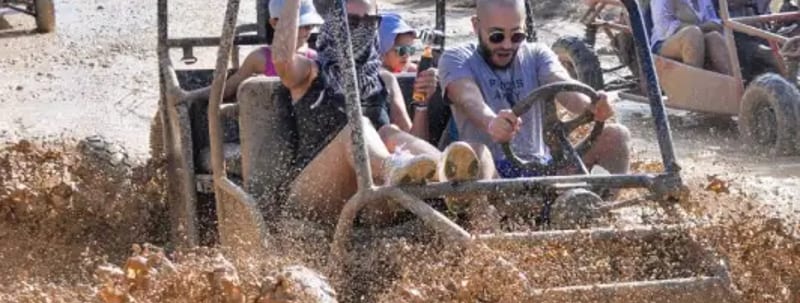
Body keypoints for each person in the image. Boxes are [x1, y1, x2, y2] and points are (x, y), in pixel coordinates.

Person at [272, 0, 492, 224]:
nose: (361, 29)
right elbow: (281, 60)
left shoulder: (384, 81)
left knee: (389, 132)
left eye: (370, 21)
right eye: (352, 22)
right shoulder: (310, 72)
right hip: (314, 194)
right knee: (359, 129)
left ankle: (448, 175)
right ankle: (392, 167)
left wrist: (422, 104)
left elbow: (415, 145)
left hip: (372, 194)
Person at [439, 0, 630, 183]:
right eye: (497, 36)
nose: (507, 45)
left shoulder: (537, 54)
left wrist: (593, 106)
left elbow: (562, 84)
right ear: (476, 25)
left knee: (616, 135)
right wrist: (491, 123)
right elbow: (468, 98)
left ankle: (601, 209)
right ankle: (487, 215)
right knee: (474, 152)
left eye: (516, 36)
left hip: (542, 167)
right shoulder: (456, 58)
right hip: (492, 172)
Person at [188, 0, 324, 101]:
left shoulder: (314, 59)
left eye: (310, 26)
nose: (308, 31)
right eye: (301, 25)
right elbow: (229, 88)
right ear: (275, 23)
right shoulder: (260, 58)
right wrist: (192, 96)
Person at [650, 0, 732, 75]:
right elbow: (663, 28)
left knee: (715, 38)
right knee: (692, 35)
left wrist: (701, 27)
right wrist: (700, 27)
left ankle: (735, 85)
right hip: (664, 42)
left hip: (700, 35)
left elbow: (715, 22)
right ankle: (695, 87)